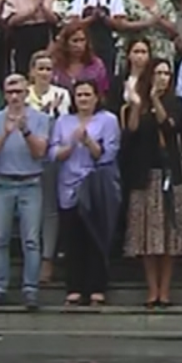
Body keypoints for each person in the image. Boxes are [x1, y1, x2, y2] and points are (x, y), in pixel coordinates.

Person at [121, 58, 182, 308]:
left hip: (169, 173)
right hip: (145, 174)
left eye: (167, 73)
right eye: (158, 72)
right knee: (147, 238)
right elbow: (131, 131)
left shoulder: (176, 102)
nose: (163, 77)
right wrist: (139, 103)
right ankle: (152, 290)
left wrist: (157, 100)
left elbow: (171, 127)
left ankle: (165, 289)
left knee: (169, 237)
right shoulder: (138, 102)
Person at [0, 72, 53, 311]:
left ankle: (30, 290)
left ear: (26, 93)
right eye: (10, 92)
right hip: (2, 182)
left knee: (31, 240)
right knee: (0, 239)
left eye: (19, 92)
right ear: (4, 94)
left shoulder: (40, 118)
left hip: (30, 182)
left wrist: (25, 130)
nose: (14, 97)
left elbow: (40, 152)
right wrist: (5, 131)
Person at [50, 80, 122, 306]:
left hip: (95, 185)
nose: (83, 99)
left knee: (95, 237)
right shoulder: (64, 121)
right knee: (73, 238)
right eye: (79, 95)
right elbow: (53, 152)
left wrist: (88, 141)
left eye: (87, 95)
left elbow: (108, 154)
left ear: (96, 97)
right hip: (69, 184)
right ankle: (74, 286)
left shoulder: (108, 120)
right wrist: (71, 144)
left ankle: (97, 287)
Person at [24, 50, 72, 284]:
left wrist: (47, 115)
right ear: (32, 71)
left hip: (52, 156)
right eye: (40, 68)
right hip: (26, 157)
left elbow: (62, 127)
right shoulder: (23, 95)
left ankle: (47, 257)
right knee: (30, 208)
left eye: (48, 69)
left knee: (50, 209)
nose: (44, 73)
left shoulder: (62, 94)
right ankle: (30, 255)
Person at [66, 0, 128, 72]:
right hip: (86, 44)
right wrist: (91, 18)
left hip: (108, 44)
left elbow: (120, 24)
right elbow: (73, 24)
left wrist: (104, 17)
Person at [2, 0, 60, 77]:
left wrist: (43, 8)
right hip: (23, 38)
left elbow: (56, 20)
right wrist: (31, 12)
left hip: (43, 35)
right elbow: (10, 21)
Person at [121, 0, 180, 68]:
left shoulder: (164, 2)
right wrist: (146, 23)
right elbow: (123, 24)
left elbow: (174, 28)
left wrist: (159, 20)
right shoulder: (128, 2)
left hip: (161, 50)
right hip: (138, 47)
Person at [51, 25, 110, 98]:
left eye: (82, 40)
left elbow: (102, 93)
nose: (79, 45)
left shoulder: (96, 65)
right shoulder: (56, 65)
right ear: (65, 43)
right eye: (75, 41)